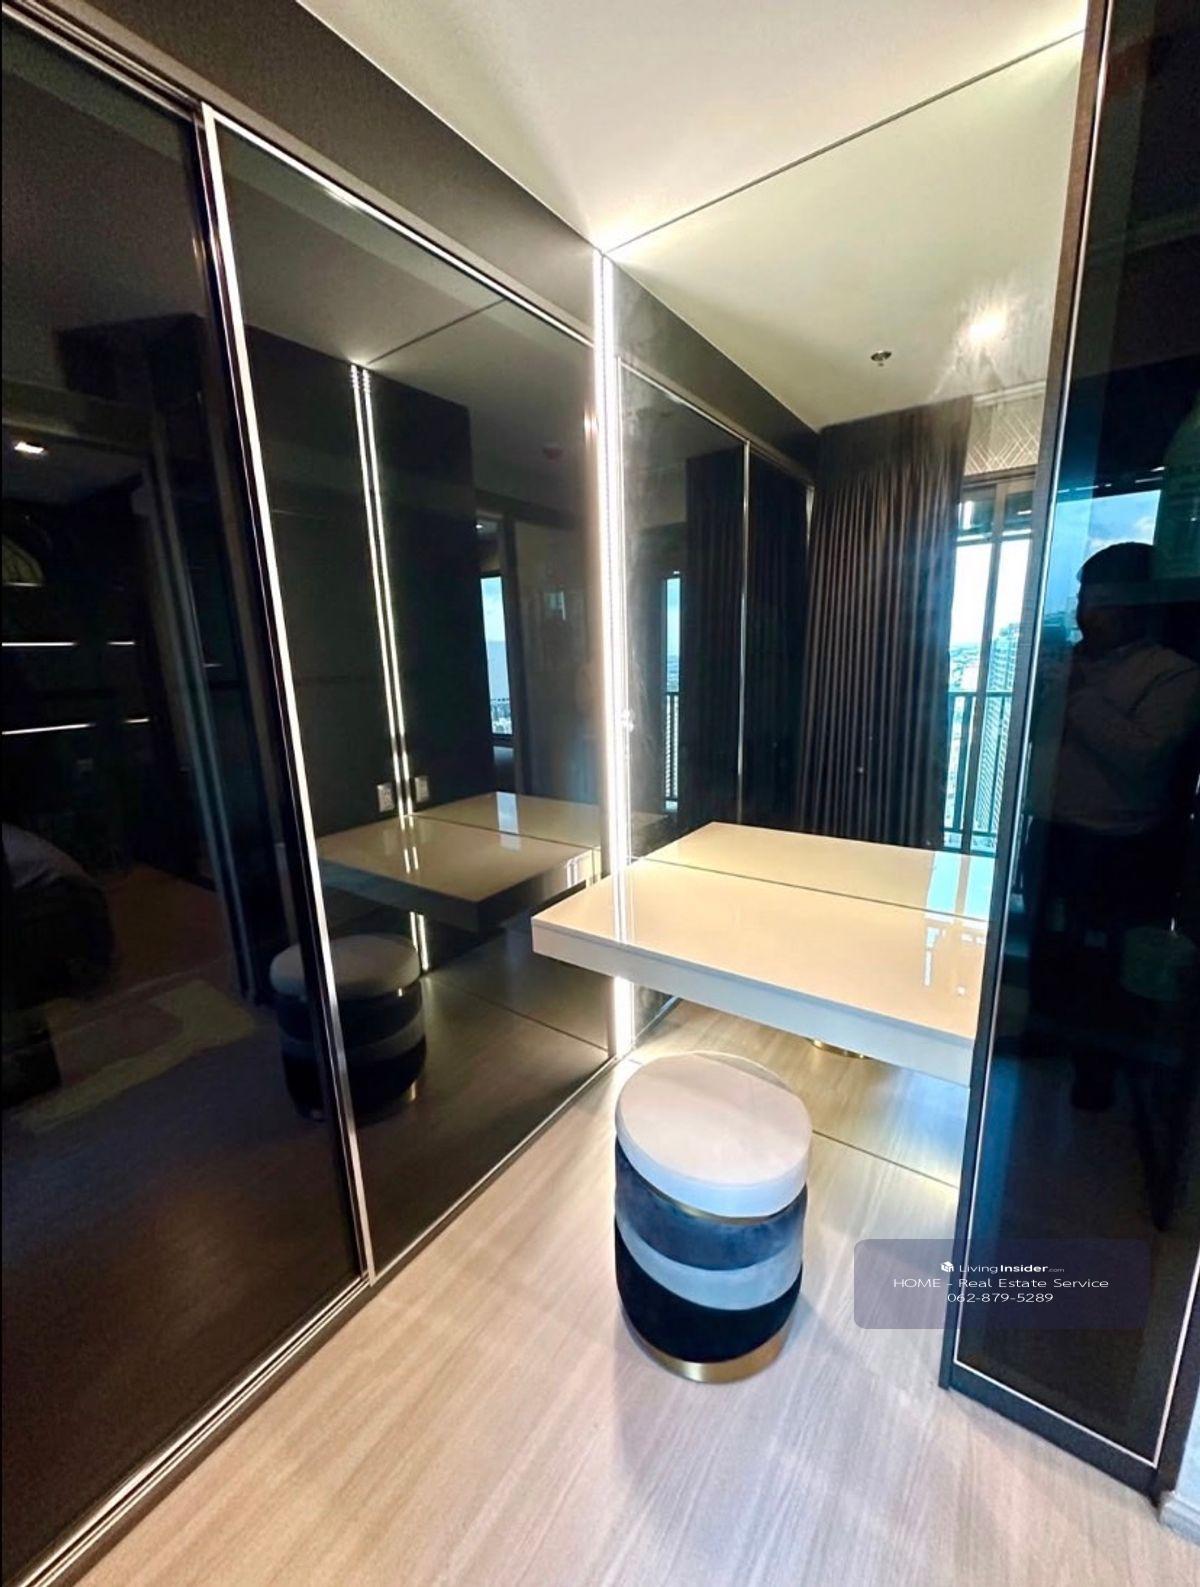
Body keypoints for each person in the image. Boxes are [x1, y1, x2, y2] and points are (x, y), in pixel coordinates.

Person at [1024, 540, 1200, 1108]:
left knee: (1104, 957)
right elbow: (1039, 739)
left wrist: (1077, 695)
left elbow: (1142, 755)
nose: (1086, 613)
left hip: (1116, 841)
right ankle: (1041, 1034)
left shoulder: (1172, 674)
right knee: (1047, 941)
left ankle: (1096, 1067)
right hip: (1052, 825)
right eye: (1083, 599)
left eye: (1100, 601)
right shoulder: (1070, 664)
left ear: (1137, 604)